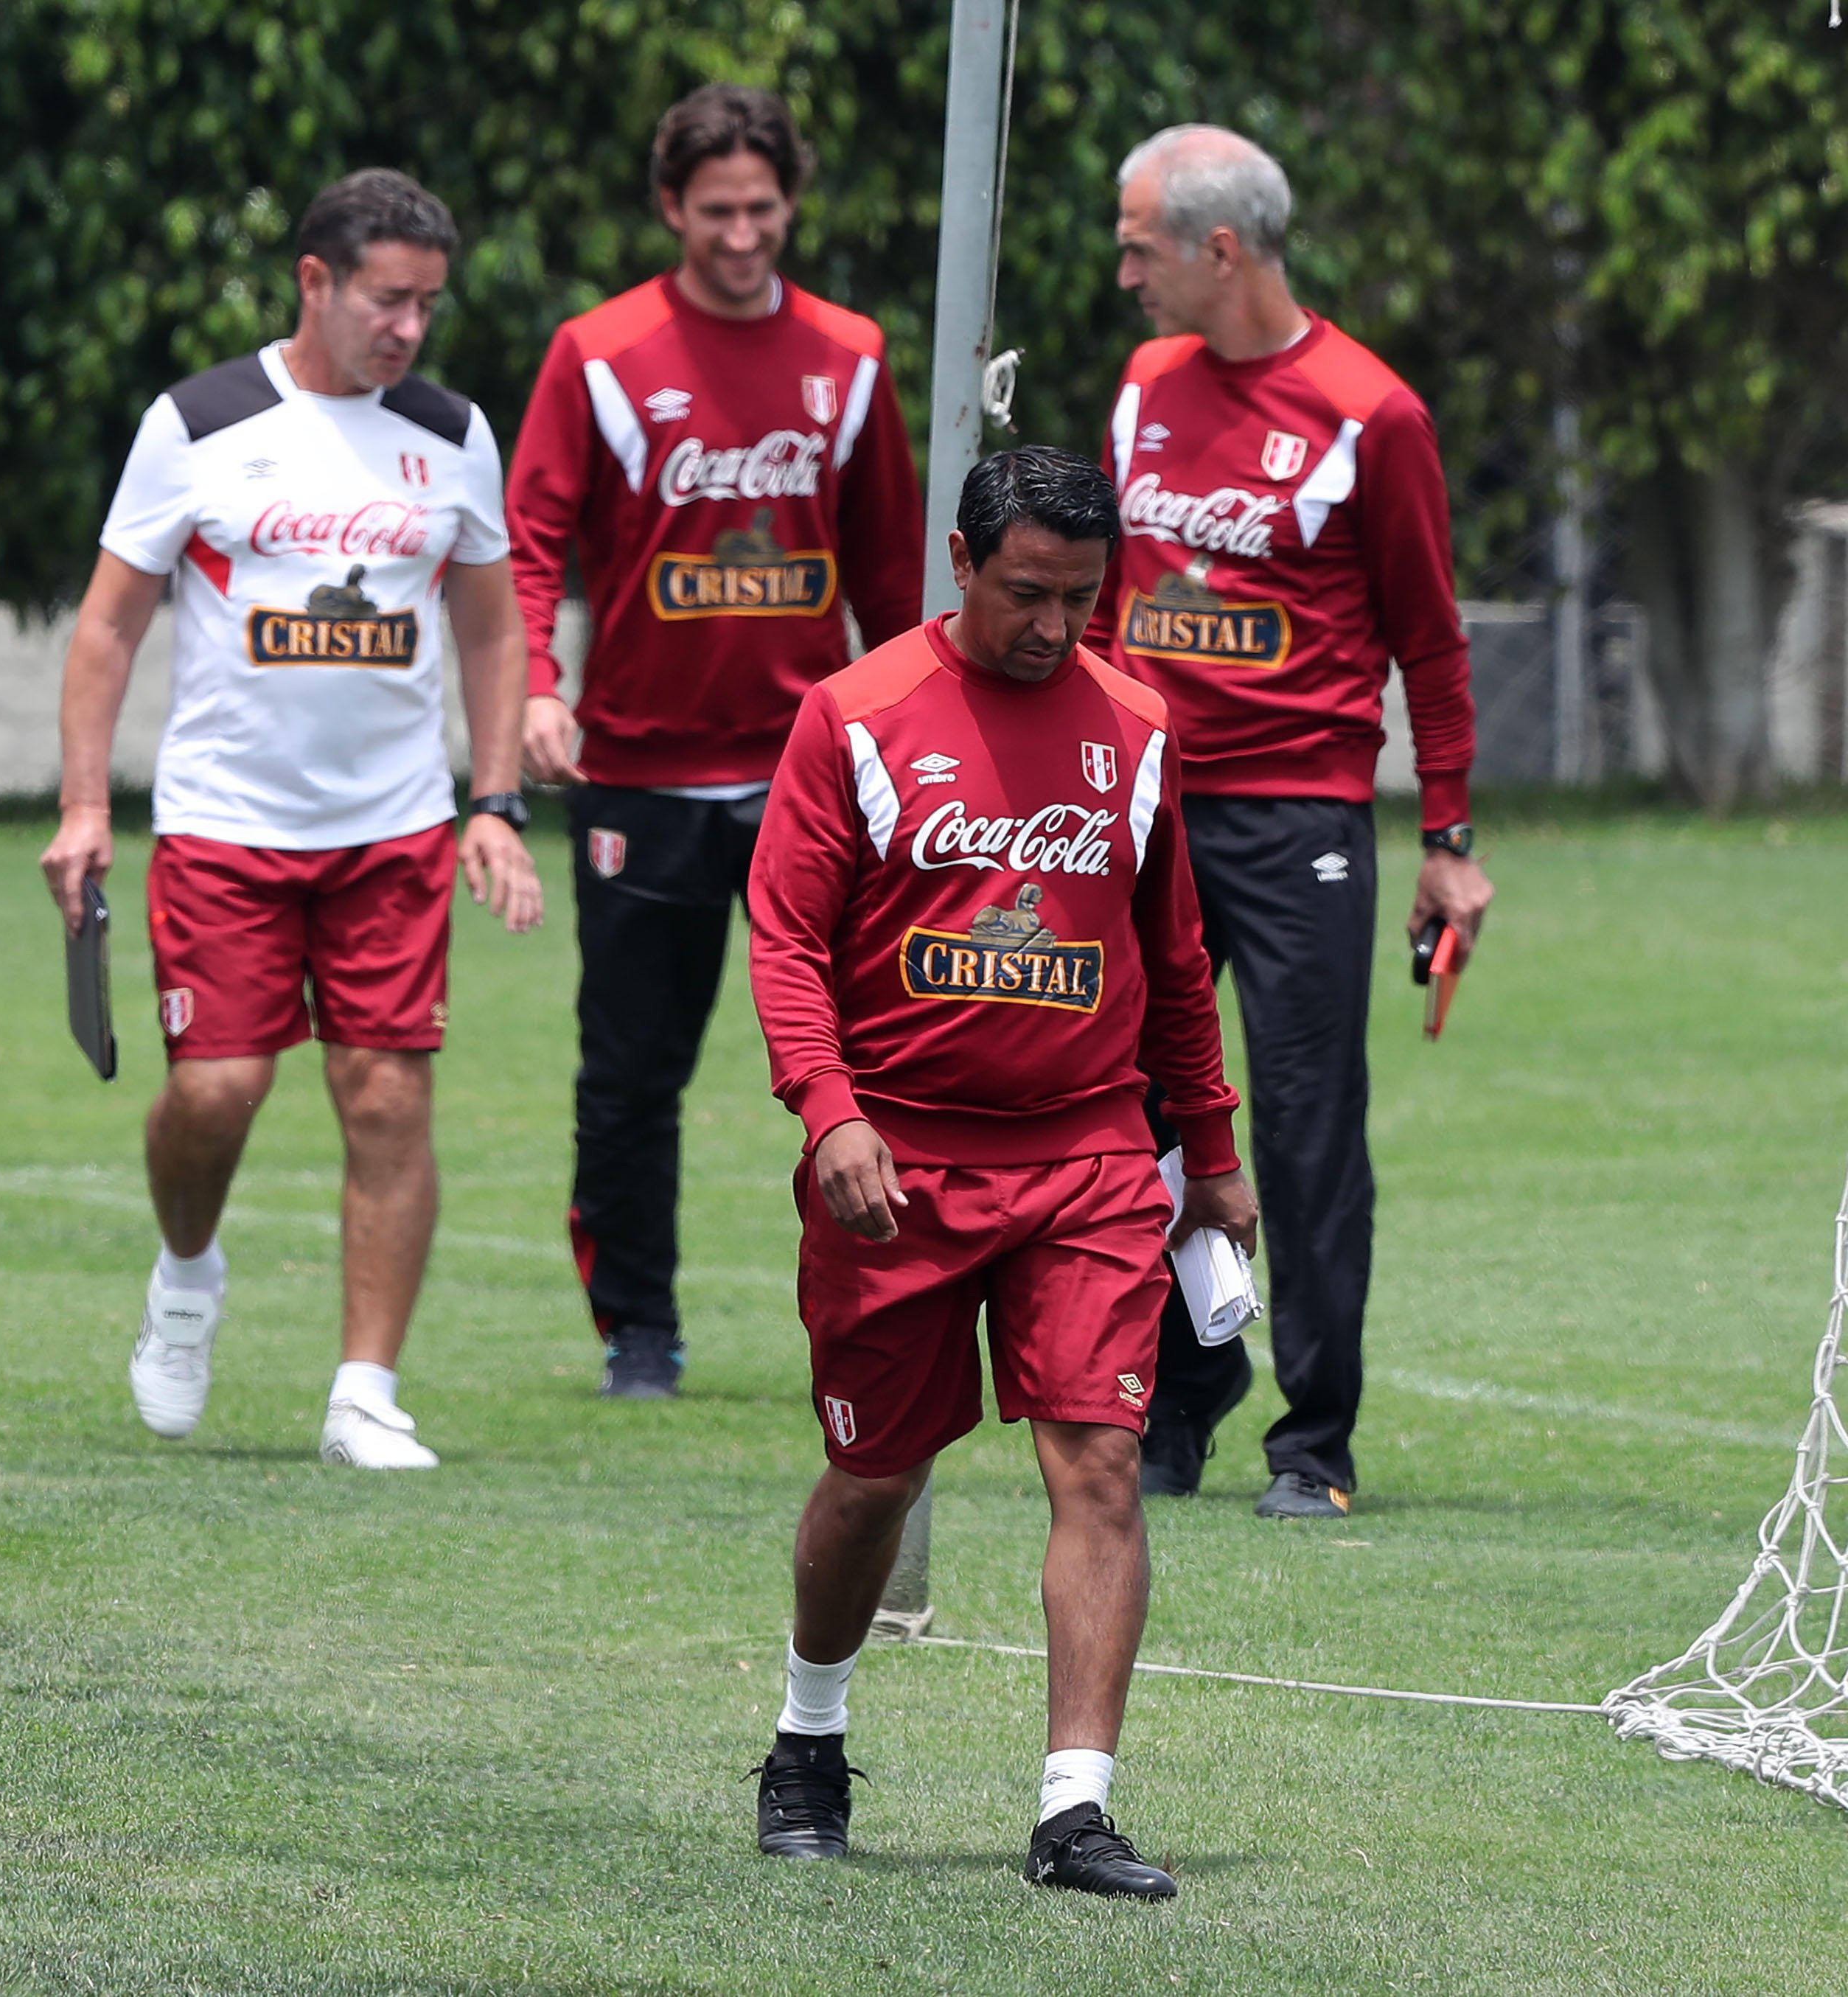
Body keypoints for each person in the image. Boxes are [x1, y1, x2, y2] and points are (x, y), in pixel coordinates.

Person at [745, 447, 1258, 1897]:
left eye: (1081, 599)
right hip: (893, 1164)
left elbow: (1173, 959)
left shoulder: (1137, 723)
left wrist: (1209, 1154)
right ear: (959, 562)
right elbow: (783, 938)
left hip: (1088, 1154)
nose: (1052, 626)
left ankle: (1072, 1808)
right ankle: (807, 1729)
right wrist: (827, 1108)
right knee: (873, 1473)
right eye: (1025, 593)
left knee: (1098, 1459)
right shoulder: (850, 716)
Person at [38, 170, 543, 1470]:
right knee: (216, 1089)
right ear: (315, 281)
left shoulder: (453, 433)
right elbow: (107, 623)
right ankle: (188, 1274)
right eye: (389, 299)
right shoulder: (198, 422)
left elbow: (492, 623)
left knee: (386, 1099)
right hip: (224, 824)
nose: (411, 329)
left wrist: (493, 798)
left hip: (392, 832)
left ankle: (364, 1392)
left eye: (429, 304)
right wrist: (85, 802)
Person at [1091, 126, 1493, 1519]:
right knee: (1129, 1118)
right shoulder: (1143, 388)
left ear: (1219, 249)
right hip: (1142, 812)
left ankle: (1313, 1443)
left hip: (1299, 818)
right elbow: (1105, 601)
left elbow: (1432, 645)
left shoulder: (1372, 414)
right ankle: (1178, 1399)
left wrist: (1447, 837)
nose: (1122, 267)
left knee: (1307, 1126)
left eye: (1140, 241)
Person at [506, 84, 922, 1398]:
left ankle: (892, 1294)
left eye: (765, 208)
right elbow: (529, 539)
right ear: (672, 208)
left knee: (877, 1050)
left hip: (813, 772)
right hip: (640, 768)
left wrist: (925, 726)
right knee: (633, 1068)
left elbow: (895, 567)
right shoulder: (600, 352)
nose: (744, 236)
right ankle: (639, 1326)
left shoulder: (849, 355)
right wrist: (535, 683)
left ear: (791, 203)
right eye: (717, 212)